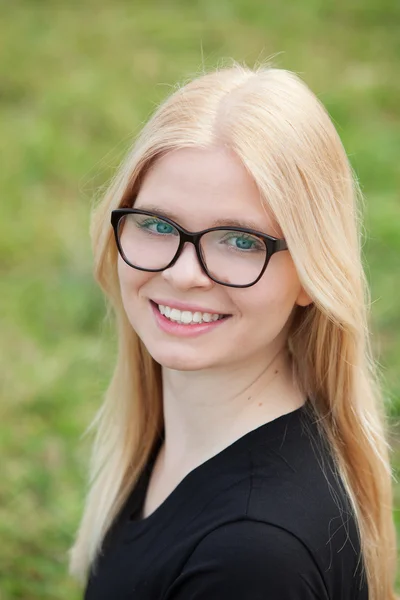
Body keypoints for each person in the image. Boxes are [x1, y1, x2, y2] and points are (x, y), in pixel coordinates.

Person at [68, 63, 398, 600]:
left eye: (240, 241)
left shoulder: (251, 559)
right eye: (156, 225)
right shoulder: (183, 432)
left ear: (311, 274)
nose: (181, 273)